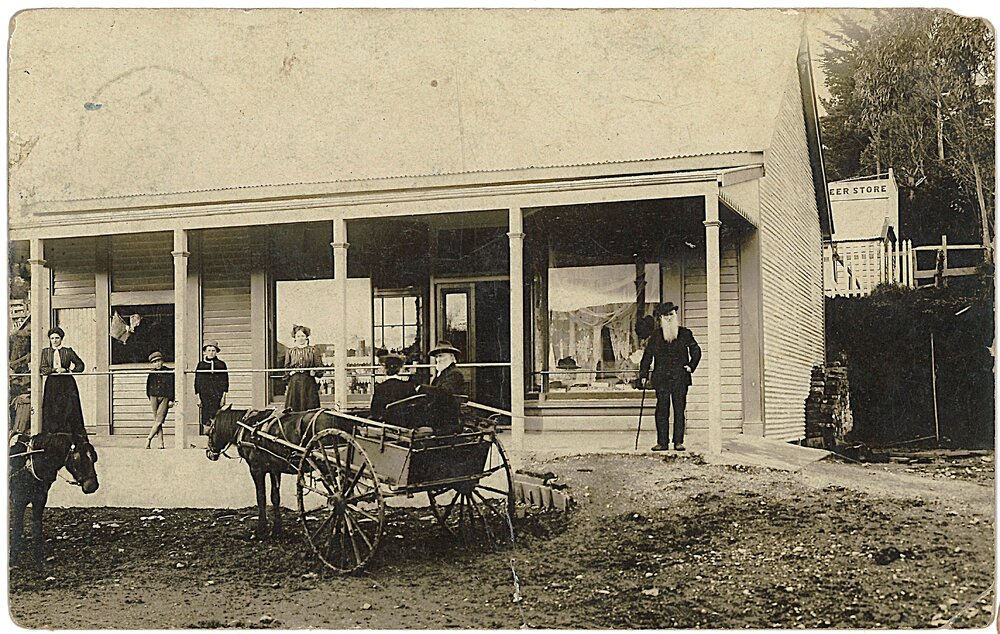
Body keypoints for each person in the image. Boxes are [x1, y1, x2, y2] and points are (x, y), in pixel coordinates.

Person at [638, 302, 701, 452]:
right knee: (662, 410)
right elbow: (648, 355)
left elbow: (696, 350)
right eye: (665, 316)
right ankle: (662, 442)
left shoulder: (685, 333)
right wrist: (643, 373)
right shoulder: (656, 336)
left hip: (680, 377)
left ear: (675, 316)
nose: (669, 318)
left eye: (671, 315)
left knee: (679, 410)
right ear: (661, 318)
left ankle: (678, 441)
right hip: (662, 379)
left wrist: (691, 366)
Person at [39, 327, 89, 443]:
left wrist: (68, 370)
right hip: (52, 384)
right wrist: (54, 369)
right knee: (52, 409)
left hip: (66, 384)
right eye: (52, 338)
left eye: (57, 338)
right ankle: (52, 439)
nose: (55, 340)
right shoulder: (46, 352)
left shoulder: (68, 351)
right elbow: (43, 369)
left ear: (61, 339)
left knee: (69, 408)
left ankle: (71, 437)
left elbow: (80, 365)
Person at [414, 341, 467, 434]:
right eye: (437, 357)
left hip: (447, 417)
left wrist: (422, 388)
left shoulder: (454, 374)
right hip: (438, 413)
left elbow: (444, 392)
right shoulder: (443, 373)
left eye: (441, 356)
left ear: (451, 356)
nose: (438, 359)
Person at [283, 324, 323, 411]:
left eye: (302, 336)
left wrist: (314, 372)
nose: (300, 338)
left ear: (306, 337)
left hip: (308, 381)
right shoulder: (290, 351)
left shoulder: (313, 350)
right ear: (295, 338)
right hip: (295, 383)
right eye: (298, 336)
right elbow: (286, 369)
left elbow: (319, 368)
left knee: (309, 409)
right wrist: (290, 372)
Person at [369, 352, 416, 422]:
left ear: (385, 369)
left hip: (387, 426)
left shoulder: (380, 388)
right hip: (405, 425)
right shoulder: (408, 386)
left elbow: (374, 412)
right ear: (400, 369)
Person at [194, 340, 229, 430]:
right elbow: (197, 381)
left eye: (213, 350)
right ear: (205, 352)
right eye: (209, 350)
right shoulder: (201, 365)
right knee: (205, 416)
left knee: (216, 415)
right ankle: (207, 436)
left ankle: (215, 437)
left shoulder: (221, 364)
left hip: (217, 394)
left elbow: (225, 381)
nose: (211, 353)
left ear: (216, 352)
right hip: (204, 395)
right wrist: (198, 397)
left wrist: (224, 396)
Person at [145, 350, 175, 449]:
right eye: (154, 362)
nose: (157, 364)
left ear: (162, 361)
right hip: (153, 397)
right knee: (157, 421)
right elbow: (148, 387)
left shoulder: (168, 372)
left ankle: (149, 438)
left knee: (159, 420)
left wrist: (171, 399)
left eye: (159, 361)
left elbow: (172, 387)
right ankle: (160, 442)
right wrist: (150, 397)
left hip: (165, 397)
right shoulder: (151, 374)